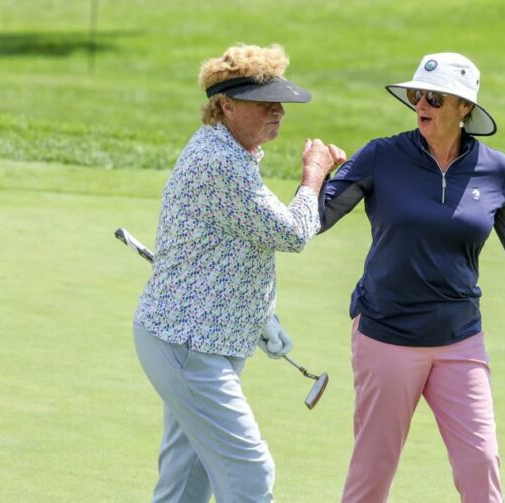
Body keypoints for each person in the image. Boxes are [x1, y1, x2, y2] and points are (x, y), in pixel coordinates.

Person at [319, 52, 505, 503]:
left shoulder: (495, 170)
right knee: (372, 474)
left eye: (434, 97)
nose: (421, 105)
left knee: (482, 464)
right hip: (387, 336)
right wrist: (313, 177)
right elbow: (315, 218)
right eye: (416, 96)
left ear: (465, 108)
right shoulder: (382, 156)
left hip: (459, 341)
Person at [132, 43, 345, 503]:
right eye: (263, 102)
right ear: (225, 105)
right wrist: (314, 176)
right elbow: (291, 234)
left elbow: (236, 247)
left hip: (200, 340)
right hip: (189, 346)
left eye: (281, 101)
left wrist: (262, 316)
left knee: (185, 485)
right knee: (250, 474)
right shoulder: (220, 161)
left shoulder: (233, 151)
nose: (278, 111)